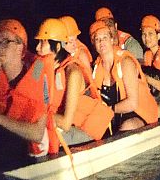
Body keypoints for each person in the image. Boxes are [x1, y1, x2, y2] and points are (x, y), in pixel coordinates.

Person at [0, 19, 52, 167]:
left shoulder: (38, 74)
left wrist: (0, 120)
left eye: (6, 41)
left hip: (30, 150)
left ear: (20, 48)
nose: (0, 47)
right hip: (4, 145)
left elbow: (37, 134)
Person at [35, 18, 113, 148]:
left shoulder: (73, 72)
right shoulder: (42, 67)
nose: (37, 48)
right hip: (67, 125)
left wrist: (34, 117)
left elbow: (65, 123)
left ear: (58, 46)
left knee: (41, 139)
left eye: (43, 43)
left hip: (88, 129)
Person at [90, 18, 158, 131]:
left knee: (127, 126)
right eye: (97, 39)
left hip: (137, 113)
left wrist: (109, 110)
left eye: (105, 38)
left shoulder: (125, 62)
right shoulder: (96, 68)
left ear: (112, 39)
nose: (101, 42)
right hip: (114, 114)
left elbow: (132, 103)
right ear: (94, 44)